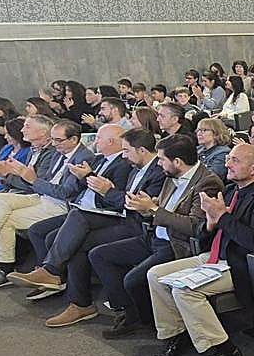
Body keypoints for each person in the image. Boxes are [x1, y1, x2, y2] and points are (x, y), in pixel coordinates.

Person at [145, 143, 254, 356]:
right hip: (214, 256)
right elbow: (203, 231)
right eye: (228, 158)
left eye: (235, 160)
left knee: (184, 291)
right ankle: (176, 334)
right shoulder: (230, 191)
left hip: (237, 263)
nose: (227, 164)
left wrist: (221, 216)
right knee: (156, 275)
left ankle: (222, 349)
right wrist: (210, 222)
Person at [12, 128, 169, 325]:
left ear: (142, 150)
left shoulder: (156, 172)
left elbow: (136, 205)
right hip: (118, 216)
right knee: (74, 241)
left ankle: (57, 276)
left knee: (77, 223)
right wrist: (95, 182)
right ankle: (78, 302)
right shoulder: (135, 166)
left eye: (127, 150)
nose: (124, 154)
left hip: (135, 225)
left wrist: (107, 190)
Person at [89, 134, 224, 338]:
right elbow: (161, 207)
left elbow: (195, 226)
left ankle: (150, 323)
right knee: (99, 255)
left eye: (161, 159)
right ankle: (129, 311)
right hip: (153, 236)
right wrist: (146, 207)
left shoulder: (207, 183)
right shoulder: (172, 176)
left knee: (133, 280)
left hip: (176, 244)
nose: (158, 163)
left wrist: (153, 209)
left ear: (177, 162)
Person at [0, 120, 93, 287]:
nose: (54, 143)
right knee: (0, 201)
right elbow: (45, 182)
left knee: (3, 218)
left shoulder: (84, 157)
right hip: (43, 196)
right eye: (53, 139)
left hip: (60, 204)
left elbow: (65, 193)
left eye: (58, 140)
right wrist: (17, 174)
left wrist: (31, 179)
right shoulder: (59, 152)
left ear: (73, 140)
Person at [194, 117, 232, 182]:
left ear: (216, 134)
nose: (199, 133)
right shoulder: (197, 149)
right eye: (198, 130)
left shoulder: (223, 153)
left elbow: (212, 177)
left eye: (204, 130)